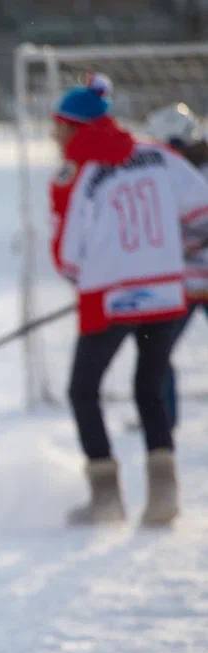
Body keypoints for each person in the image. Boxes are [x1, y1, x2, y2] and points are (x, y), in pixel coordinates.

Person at [50, 75, 208, 526]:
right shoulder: (157, 154)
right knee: (149, 387)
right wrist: (167, 252)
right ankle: (164, 497)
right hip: (162, 293)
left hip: (112, 299)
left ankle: (105, 501)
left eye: (58, 127)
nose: (53, 136)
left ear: (76, 128)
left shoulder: (78, 172)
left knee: (83, 390)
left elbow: (67, 253)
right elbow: (201, 206)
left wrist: (92, 277)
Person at [144, 103, 208, 428]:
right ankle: (162, 420)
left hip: (194, 280)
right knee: (157, 355)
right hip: (179, 284)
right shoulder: (161, 172)